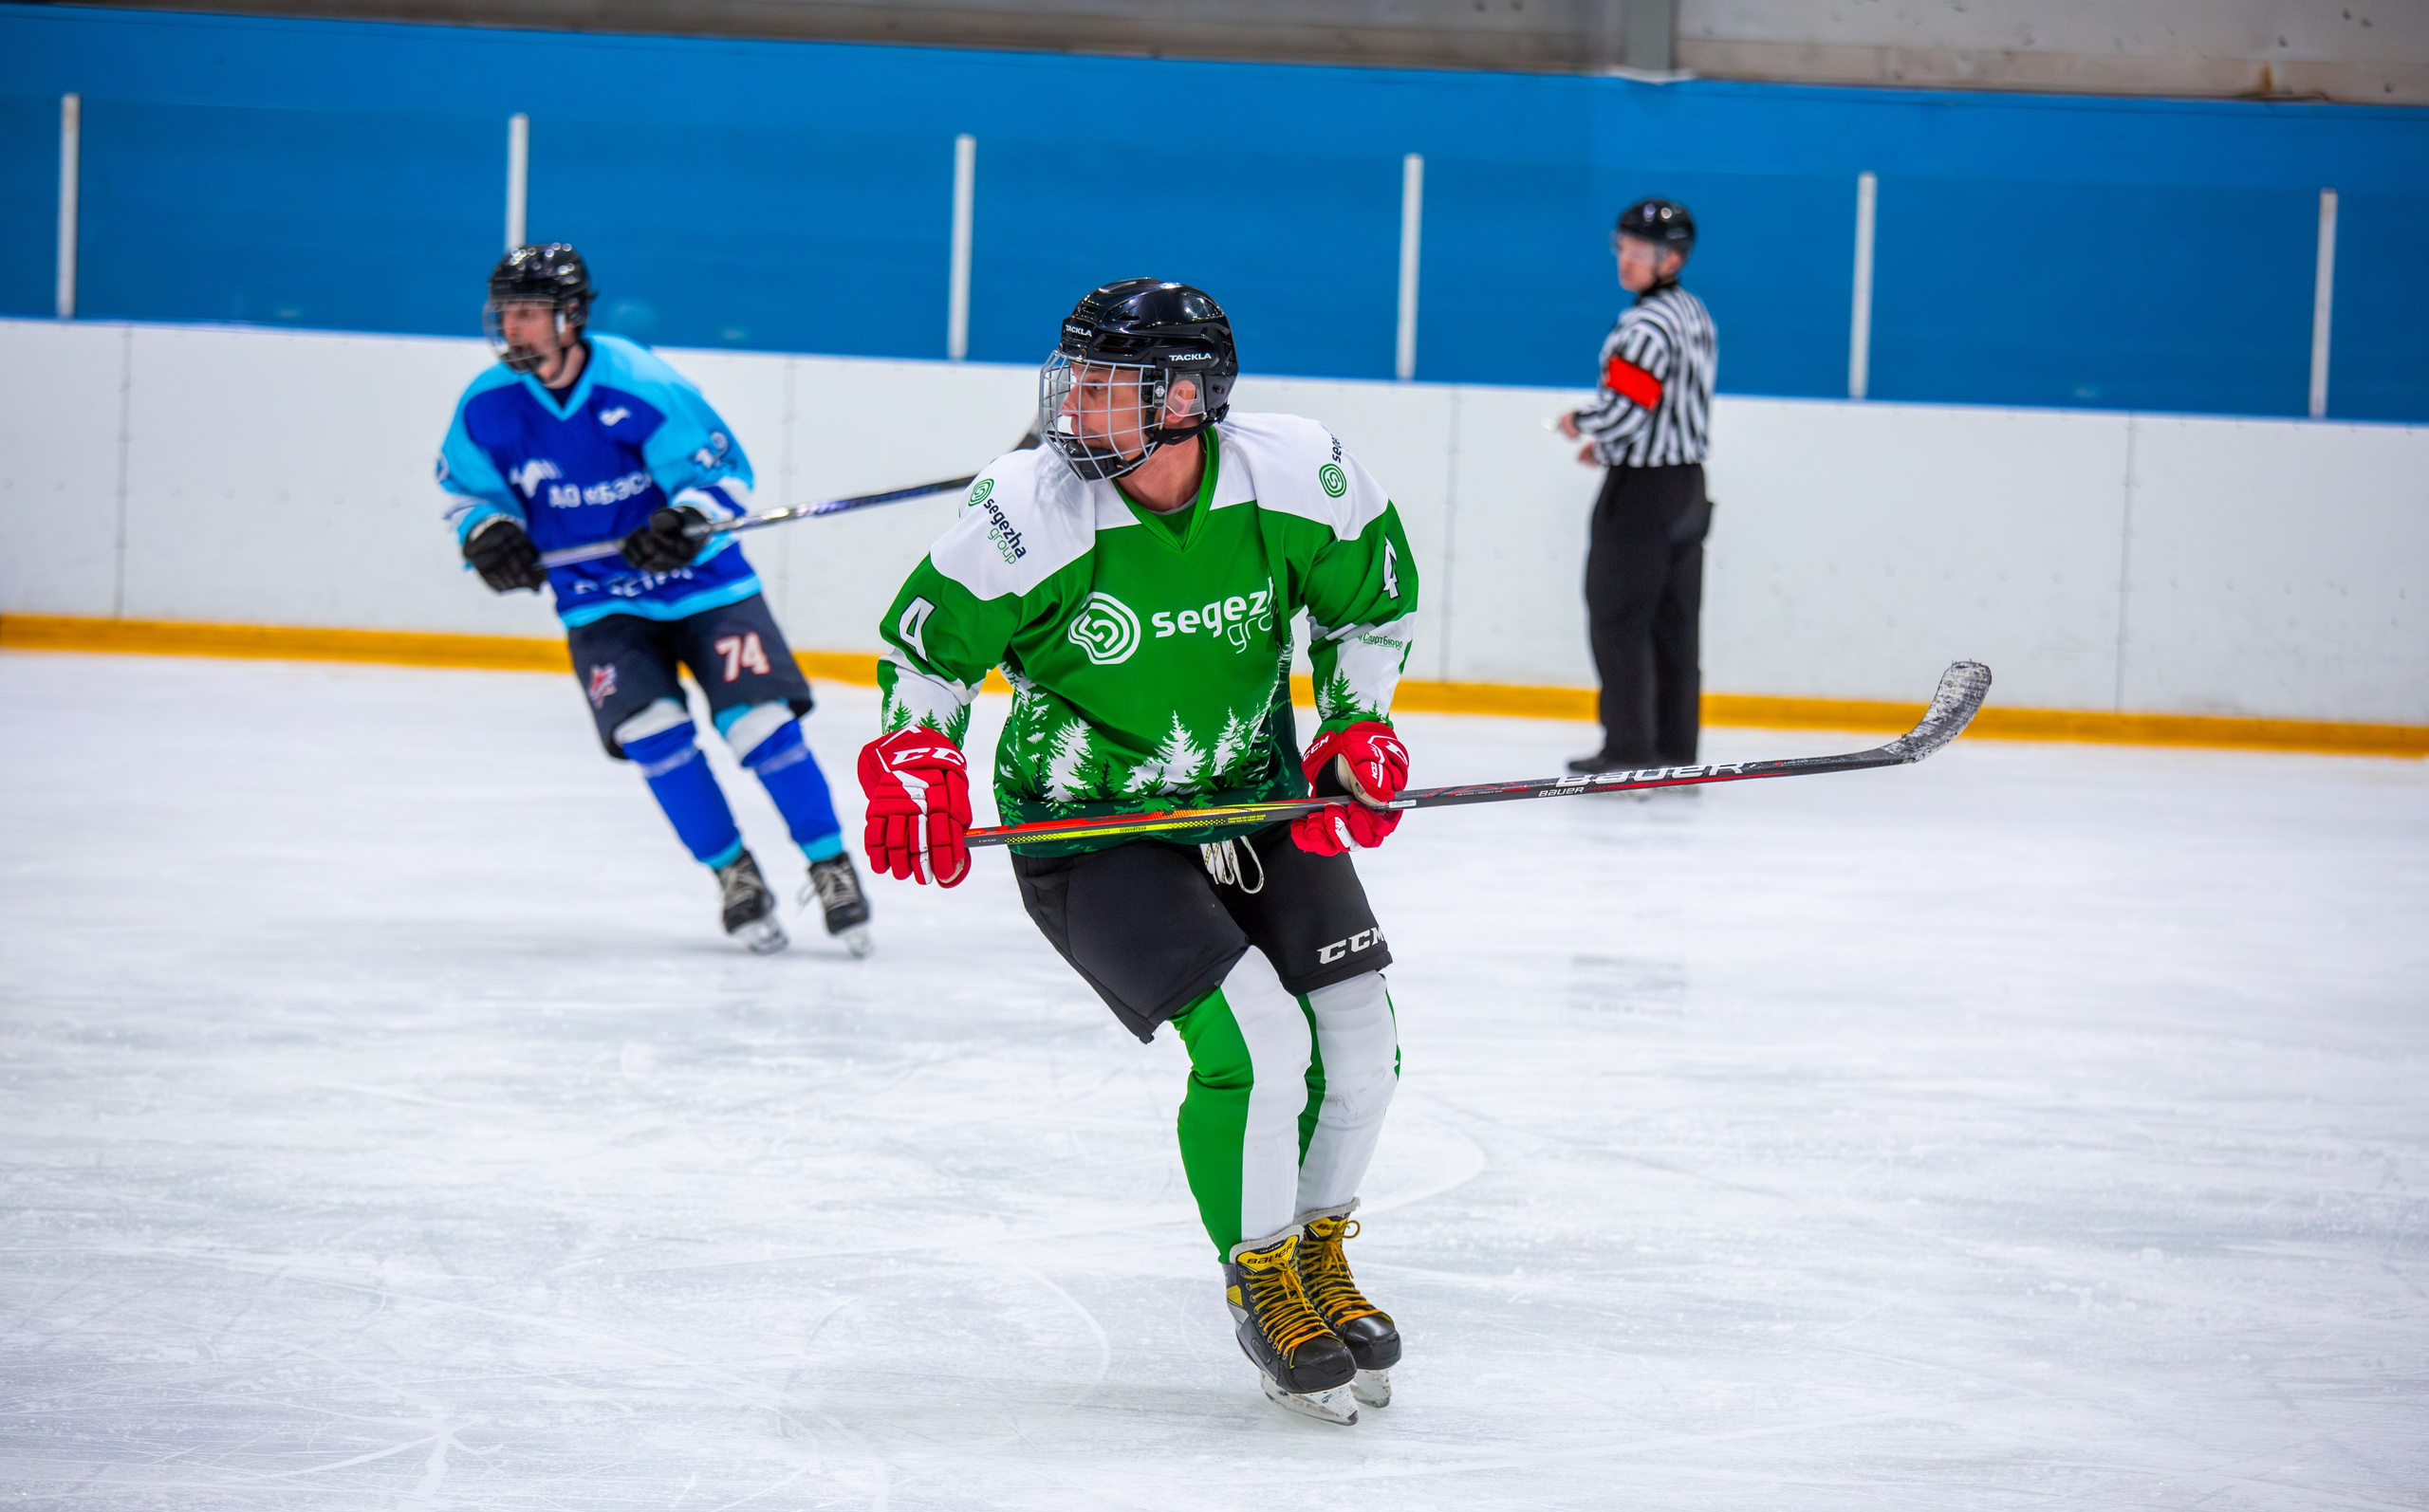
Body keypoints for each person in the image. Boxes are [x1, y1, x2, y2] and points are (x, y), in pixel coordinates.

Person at [857, 280, 1420, 1426]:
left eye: (1112, 385)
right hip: (1091, 828)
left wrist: (1356, 721)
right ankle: (1260, 1273)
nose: (1078, 405)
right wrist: (916, 753)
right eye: (1077, 378)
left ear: (1190, 398)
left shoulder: (1299, 472)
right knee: (1257, 1044)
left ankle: (1318, 1256)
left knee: (1361, 1043)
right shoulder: (1030, 507)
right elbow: (928, 655)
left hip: (1253, 800)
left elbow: (1370, 605)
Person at [436, 243, 870, 955]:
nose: (512, 328)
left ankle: (830, 864)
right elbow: (464, 493)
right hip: (599, 601)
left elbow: (725, 473)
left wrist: (686, 518)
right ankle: (734, 874)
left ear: (571, 316)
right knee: (651, 733)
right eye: (506, 313)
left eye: (528, 313)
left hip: (706, 588)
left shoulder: (638, 382)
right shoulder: (487, 407)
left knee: (758, 724)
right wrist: (487, 533)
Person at [1558, 197, 1717, 775]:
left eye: (1638, 250)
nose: (1624, 259)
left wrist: (1582, 423)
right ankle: (1677, 748)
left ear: (1670, 258)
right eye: (1621, 246)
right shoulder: (1694, 313)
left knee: (1618, 616)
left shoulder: (1645, 324)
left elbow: (1629, 405)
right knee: (1675, 622)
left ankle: (1628, 746)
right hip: (1688, 487)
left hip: (1643, 494)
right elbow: (1664, 404)